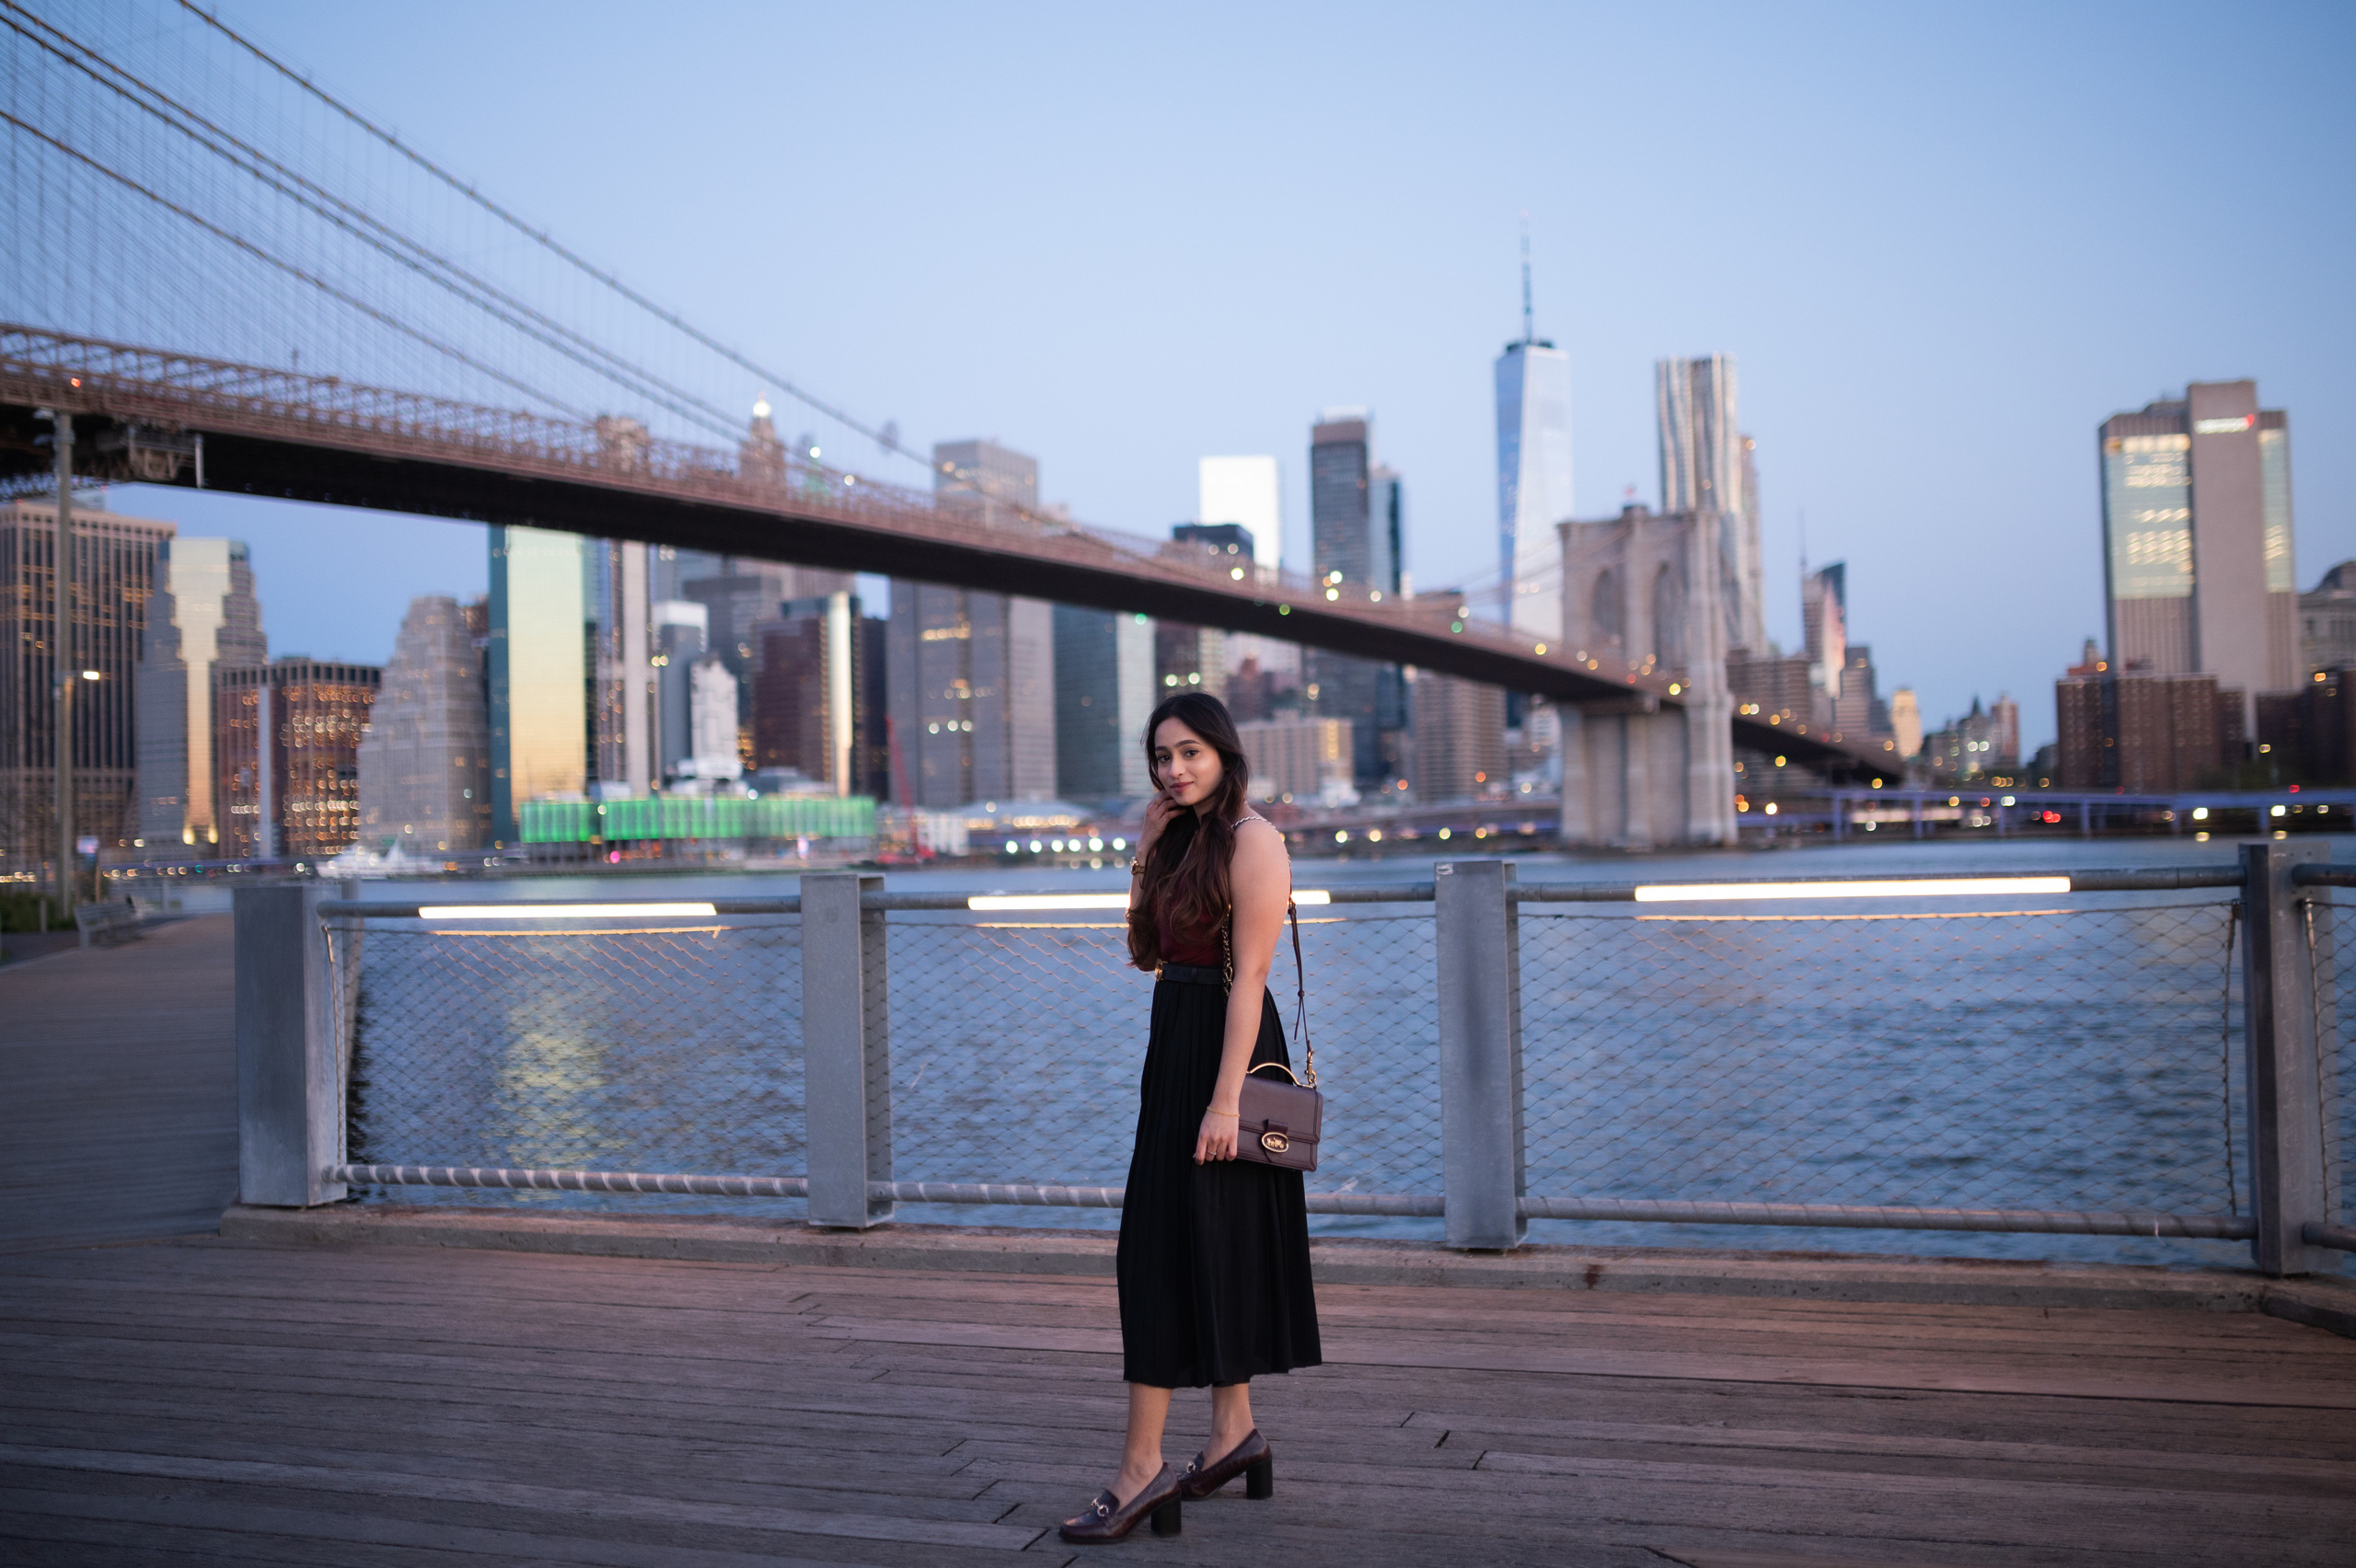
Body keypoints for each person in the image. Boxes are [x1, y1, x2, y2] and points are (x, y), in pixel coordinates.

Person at [1058, 691, 1322, 1545]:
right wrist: (1142, 853)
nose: (1174, 769)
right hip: (1174, 1037)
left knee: (1164, 1245)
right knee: (1202, 1237)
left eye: (1190, 754)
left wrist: (1225, 1100)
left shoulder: (1255, 841)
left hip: (1226, 1050)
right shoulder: (1176, 839)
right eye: (1162, 756)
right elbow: (1145, 956)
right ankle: (1232, 1435)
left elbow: (1247, 979)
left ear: (1225, 755)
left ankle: (1140, 1472)